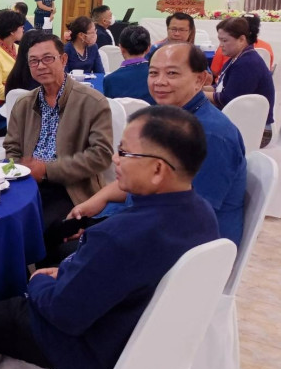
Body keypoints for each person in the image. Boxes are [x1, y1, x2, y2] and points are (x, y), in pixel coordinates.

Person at [0, 106, 220, 369]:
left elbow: (61, 313)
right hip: (135, 336)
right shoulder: (203, 215)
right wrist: (66, 273)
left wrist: (38, 282)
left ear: (158, 169)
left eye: (124, 153)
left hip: (86, 350)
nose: (115, 159)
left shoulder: (119, 237)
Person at [70, 43, 246, 246]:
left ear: (199, 80)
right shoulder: (168, 119)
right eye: (153, 73)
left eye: (172, 73)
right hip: (147, 217)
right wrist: (99, 199)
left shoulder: (209, 135)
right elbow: (142, 179)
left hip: (181, 245)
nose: (160, 82)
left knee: (62, 251)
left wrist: (105, 233)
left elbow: (189, 219)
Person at [4, 33, 113, 236]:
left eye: (47, 58)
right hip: (28, 184)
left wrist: (47, 170)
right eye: (34, 61)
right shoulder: (24, 103)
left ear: (63, 60)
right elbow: (12, 146)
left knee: (36, 229)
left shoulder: (92, 102)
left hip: (71, 189)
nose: (41, 66)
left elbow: (101, 155)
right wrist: (20, 170)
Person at [204, 17, 275, 126]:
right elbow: (220, 87)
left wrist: (196, 93)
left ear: (241, 39)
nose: (220, 45)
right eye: (220, 40)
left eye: (225, 40)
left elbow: (227, 99)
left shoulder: (248, 63)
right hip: (242, 119)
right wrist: (198, 88)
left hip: (255, 127)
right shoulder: (238, 58)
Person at [102, 25, 155, 104]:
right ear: (149, 48)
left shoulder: (110, 80)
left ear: (121, 48)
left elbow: (111, 108)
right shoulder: (157, 76)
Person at [210, 14, 275, 77]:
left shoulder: (232, 49)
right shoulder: (267, 46)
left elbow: (215, 71)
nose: (221, 45)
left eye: (224, 40)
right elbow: (269, 68)